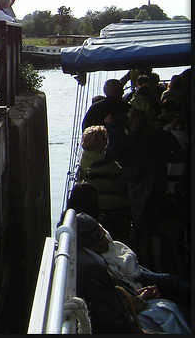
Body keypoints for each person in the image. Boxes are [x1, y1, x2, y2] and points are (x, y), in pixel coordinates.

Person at [75, 213, 191, 334]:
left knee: (168, 305)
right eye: (102, 238)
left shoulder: (93, 261)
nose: (107, 241)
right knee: (167, 309)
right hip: (130, 320)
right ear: (92, 243)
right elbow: (116, 321)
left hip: (130, 306)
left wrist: (135, 295)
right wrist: (141, 299)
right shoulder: (92, 270)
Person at [104, 108, 187, 271]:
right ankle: (157, 264)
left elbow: (115, 150)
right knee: (154, 223)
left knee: (141, 224)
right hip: (158, 184)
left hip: (137, 186)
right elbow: (181, 155)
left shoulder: (133, 140)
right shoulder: (163, 137)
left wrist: (111, 128)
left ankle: (144, 263)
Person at [76, 126, 128, 213]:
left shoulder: (83, 162)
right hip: (117, 203)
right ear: (97, 142)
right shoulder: (109, 163)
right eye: (104, 138)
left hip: (93, 203)